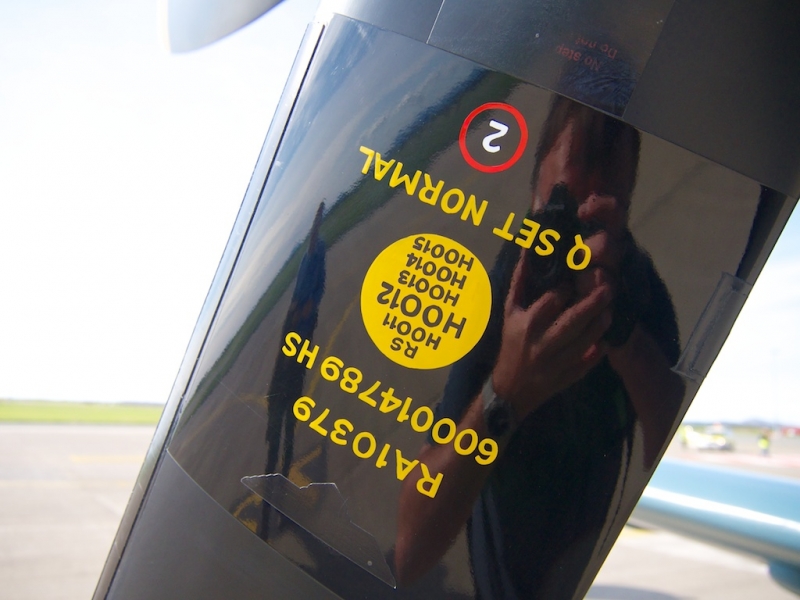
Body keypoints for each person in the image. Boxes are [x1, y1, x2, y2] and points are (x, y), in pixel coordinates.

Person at [395, 97, 685, 598]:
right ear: (533, 197)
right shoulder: (506, 288)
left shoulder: (635, 287)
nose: (569, 250)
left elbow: (677, 467)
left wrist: (621, 332)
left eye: (593, 222)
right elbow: (410, 551)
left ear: (622, 217)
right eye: (558, 214)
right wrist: (505, 393)